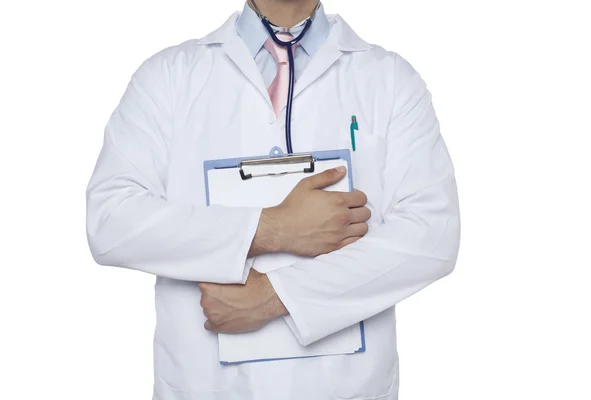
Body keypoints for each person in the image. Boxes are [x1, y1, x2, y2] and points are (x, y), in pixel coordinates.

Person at [86, 0, 460, 399]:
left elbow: (432, 236)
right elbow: (110, 220)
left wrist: (276, 296)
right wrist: (273, 228)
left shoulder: (389, 79)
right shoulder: (168, 77)